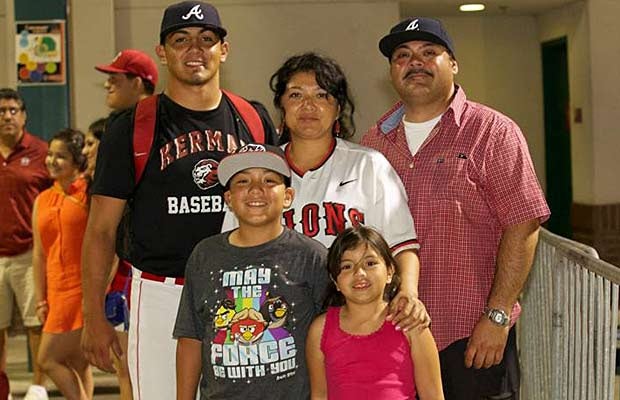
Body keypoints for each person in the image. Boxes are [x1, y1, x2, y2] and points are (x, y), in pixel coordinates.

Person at [80, 2, 278, 399]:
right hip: (160, 293)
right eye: (181, 40)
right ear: (163, 52)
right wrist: (93, 315)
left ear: (224, 49)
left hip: (239, 292)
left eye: (207, 39)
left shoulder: (253, 119)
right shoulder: (131, 126)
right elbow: (101, 229)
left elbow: (276, 216)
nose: (195, 50)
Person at [361, 17, 551, 399]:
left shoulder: (492, 132)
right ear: (391, 71)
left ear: (453, 64)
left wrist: (497, 316)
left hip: (471, 338)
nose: (415, 62)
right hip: (393, 337)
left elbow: (524, 225)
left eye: (429, 53)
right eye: (403, 56)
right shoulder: (374, 142)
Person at [224, 52, 428, 329]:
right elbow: (230, 252)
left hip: (354, 319)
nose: (308, 105)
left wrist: (409, 293)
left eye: (322, 95)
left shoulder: (369, 165)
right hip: (274, 319)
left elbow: (402, 245)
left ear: (338, 109)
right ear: (281, 106)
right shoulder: (257, 173)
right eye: (296, 95)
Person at [175, 143, 328, 399]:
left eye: (269, 180)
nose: (256, 189)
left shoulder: (311, 256)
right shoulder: (205, 254)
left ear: (288, 196)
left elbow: (331, 339)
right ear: (229, 199)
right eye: (243, 181)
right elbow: (191, 337)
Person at [306, 226, 443, 399]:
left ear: (390, 272)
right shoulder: (320, 330)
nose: (359, 273)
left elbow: (433, 395)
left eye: (370, 263)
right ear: (335, 282)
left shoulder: (411, 325)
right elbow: (319, 395)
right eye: (347, 266)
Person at [32, 129, 92, 400]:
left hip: (82, 288)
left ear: (77, 161)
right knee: (77, 363)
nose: (51, 161)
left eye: (61, 156)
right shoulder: (42, 199)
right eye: (50, 155)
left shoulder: (89, 195)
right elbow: (39, 253)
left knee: (47, 358)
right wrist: (41, 298)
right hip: (55, 291)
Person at [0, 88, 51, 400]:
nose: (7, 116)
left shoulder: (42, 152)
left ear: (24, 116)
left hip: (30, 253)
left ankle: (38, 387)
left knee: (36, 324)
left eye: (13, 110)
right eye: (2, 110)